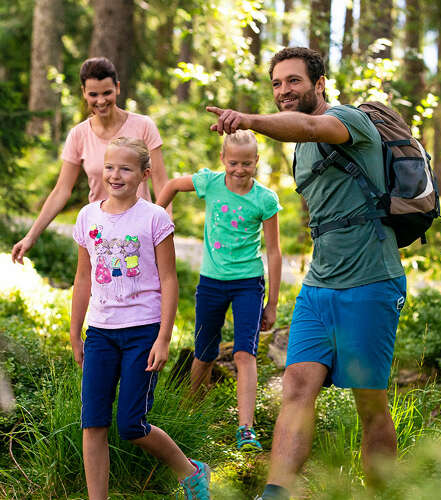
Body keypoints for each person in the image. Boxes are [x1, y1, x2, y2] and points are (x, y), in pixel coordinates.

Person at [206, 47, 407, 499]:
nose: (283, 91)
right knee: (297, 385)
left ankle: (383, 493)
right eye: (276, 84)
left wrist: (250, 121)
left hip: (370, 282)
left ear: (318, 84)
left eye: (293, 81)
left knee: (369, 402)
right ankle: (275, 493)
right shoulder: (299, 151)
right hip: (319, 288)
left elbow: (313, 126)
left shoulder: (349, 121)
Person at [70, 137, 210, 500]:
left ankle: (191, 473)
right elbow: (83, 278)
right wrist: (75, 332)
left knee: (132, 424)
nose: (115, 175)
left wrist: (163, 337)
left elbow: (169, 279)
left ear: (144, 174)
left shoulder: (154, 217)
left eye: (126, 168)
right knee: (93, 423)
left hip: (142, 333)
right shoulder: (88, 217)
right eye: (110, 166)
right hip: (100, 332)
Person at [155, 130, 282, 452]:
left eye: (247, 163)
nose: (240, 169)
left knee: (244, 352)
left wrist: (272, 304)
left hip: (248, 283)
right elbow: (170, 186)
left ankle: (246, 428)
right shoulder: (210, 183)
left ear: (256, 162)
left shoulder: (264, 199)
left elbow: (275, 252)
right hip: (211, 281)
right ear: (223, 159)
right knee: (204, 352)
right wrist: (153, 218)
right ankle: (190, 413)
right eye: (234, 163)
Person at [12, 56, 170, 264]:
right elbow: (62, 190)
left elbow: (161, 183)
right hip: (100, 233)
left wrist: (164, 231)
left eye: (107, 92)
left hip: (139, 232)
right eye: (93, 94)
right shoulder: (79, 135)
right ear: (84, 93)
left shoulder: (143, 126)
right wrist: (31, 236)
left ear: (118, 88)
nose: (101, 101)